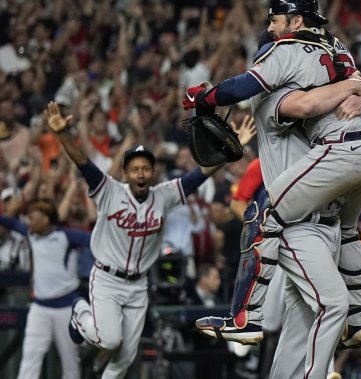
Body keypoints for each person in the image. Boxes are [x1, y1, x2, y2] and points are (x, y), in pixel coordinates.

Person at [184, 2, 361, 376]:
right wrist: (359, 89)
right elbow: (321, 97)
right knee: (331, 304)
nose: (272, 48)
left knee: (299, 330)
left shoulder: (289, 86)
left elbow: (285, 94)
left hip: (313, 217)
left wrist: (206, 97)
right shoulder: (295, 90)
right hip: (302, 225)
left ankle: (245, 318)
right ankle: (337, 326)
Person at [41, 101, 241, 379]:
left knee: (124, 358)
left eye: (146, 168)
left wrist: (228, 152)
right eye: (134, 169)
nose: (141, 174)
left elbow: (198, 175)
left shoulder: (164, 195)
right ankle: (79, 313)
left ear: (153, 172)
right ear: (126, 173)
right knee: (110, 340)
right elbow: (82, 160)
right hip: (108, 279)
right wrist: (63, 135)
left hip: (138, 286)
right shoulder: (109, 191)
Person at [0, 200, 89, 379]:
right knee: (30, 357)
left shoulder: (67, 236)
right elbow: (8, 222)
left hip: (66, 307)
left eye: (33, 218)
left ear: (46, 220)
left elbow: (95, 240)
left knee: (70, 363)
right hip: (40, 307)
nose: (29, 222)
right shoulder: (31, 234)